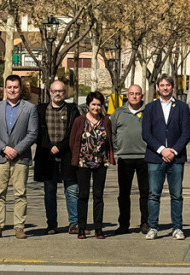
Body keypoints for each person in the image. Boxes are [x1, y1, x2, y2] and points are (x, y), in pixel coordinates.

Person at [0, 74, 39, 239]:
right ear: (5, 88)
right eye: (9, 87)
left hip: (20, 157)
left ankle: (19, 226)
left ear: (20, 89)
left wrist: (16, 149)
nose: (12, 90)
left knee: (20, 193)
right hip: (0, 157)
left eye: (15, 87)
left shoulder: (29, 108)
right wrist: (4, 148)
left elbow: (33, 133)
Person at [141, 74, 190, 240]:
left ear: (172, 87)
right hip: (155, 158)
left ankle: (177, 227)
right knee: (154, 194)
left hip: (176, 159)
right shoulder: (149, 108)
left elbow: (186, 133)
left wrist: (174, 151)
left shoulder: (182, 107)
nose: (164, 88)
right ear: (157, 88)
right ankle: (153, 227)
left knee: (176, 195)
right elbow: (146, 134)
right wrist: (162, 150)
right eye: (161, 85)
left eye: (167, 85)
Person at [34, 80, 80, 235]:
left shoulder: (72, 109)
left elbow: (75, 134)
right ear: (49, 92)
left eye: (60, 91)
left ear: (64, 93)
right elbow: (37, 133)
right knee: (49, 192)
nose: (57, 94)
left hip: (67, 156)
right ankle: (51, 224)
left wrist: (60, 146)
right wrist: (49, 146)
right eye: (54, 91)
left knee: (72, 190)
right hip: (47, 157)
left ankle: (74, 223)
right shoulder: (40, 110)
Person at [69, 91, 115, 239]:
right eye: (93, 104)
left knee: (98, 196)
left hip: (101, 163)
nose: (96, 107)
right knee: (82, 195)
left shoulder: (106, 120)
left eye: (98, 105)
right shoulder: (79, 120)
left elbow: (110, 140)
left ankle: (99, 228)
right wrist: (78, 156)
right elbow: (73, 141)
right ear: (88, 105)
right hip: (83, 163)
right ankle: (81, 228)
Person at [111, 84, 149, 235]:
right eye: (131, 93)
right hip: (125, 158)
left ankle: (145, 222)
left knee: (145, 192)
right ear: (127, 95)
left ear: (142, 96)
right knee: (124, 193)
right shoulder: (119, 112)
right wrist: (117, 147)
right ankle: (123, 224)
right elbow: (112, 132)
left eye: (137, 94)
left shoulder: (148, 112)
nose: (134, 96)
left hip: (144, 158)